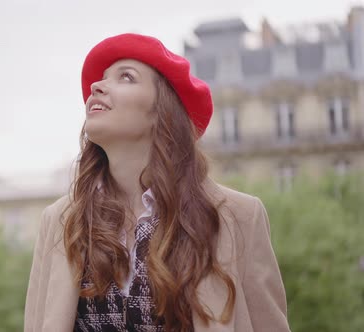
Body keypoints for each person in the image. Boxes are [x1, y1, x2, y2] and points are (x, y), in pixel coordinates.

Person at [24, 33, 291, 332]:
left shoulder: (239, 216)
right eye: (100, 80)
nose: (96, 87)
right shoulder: (59, 222)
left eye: (125, 77)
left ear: (161, 111)